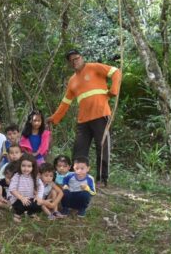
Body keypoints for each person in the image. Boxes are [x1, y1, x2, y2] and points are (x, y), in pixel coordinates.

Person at [47, 49, 122, 187]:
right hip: (83, 120)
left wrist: (114, 89)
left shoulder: (94, 67)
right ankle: (76, 178)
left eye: (76, 58)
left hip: (101, 115)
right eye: (71, 61)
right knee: (79, 149)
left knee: (102, 146)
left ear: (81, 58)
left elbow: (116, 71)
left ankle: (101, 179)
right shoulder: (72, 81)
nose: (74, 62)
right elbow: (66, 102)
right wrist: (54, 118)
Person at [9, 154, 40, 222]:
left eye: (29, 166)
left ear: (33, 167)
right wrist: (22, 198)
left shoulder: (34, 176)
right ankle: (17, 214)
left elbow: (37, 188)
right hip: (18, 199)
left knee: (37, 204)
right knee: (21, 204)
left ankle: (30, 213)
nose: (26, 169)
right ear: (20, 165)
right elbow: (12, 189)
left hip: (29, 198)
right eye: (23, 166)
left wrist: (37, 195)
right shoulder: (17, 176)